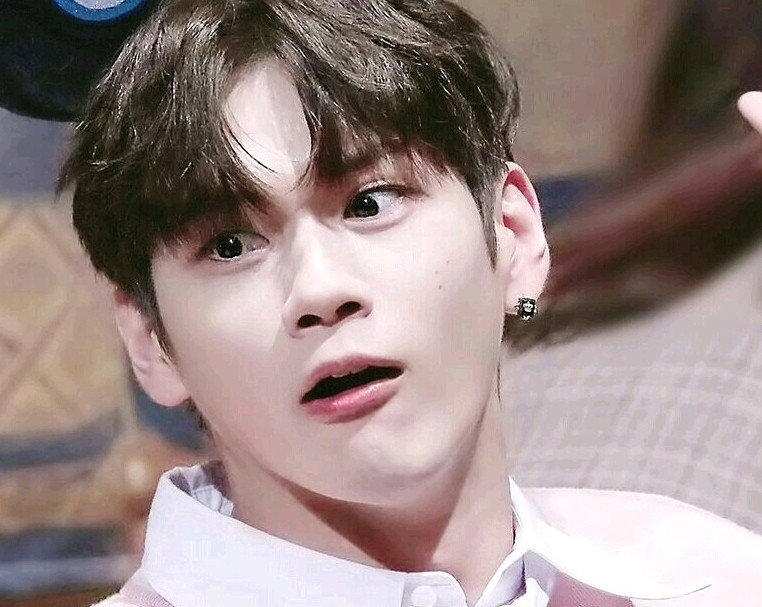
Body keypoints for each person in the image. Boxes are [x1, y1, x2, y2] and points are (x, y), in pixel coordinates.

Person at [57, 1, 762, 606]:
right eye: (231, 246)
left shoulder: (708, 577)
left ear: (514, 235)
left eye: (371, 203)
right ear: (149, 339)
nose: (320, 290)